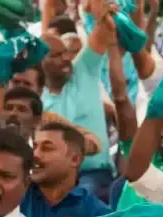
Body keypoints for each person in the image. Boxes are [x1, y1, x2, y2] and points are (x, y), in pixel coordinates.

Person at [40, 0, 118, 202]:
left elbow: (104, 32)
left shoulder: (83, 70)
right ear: (40, 63)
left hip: (94, 175)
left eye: (65, 52)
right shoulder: (37, 100)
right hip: (52, 177)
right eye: (56, 55)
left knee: (78, 200)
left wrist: (103, 14)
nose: (66, 59)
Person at [23, 119, 112, 217]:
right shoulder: (14, 197)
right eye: (34, 147)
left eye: (47, 148)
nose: (35, 155)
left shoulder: (96, 215)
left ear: (75, 160)